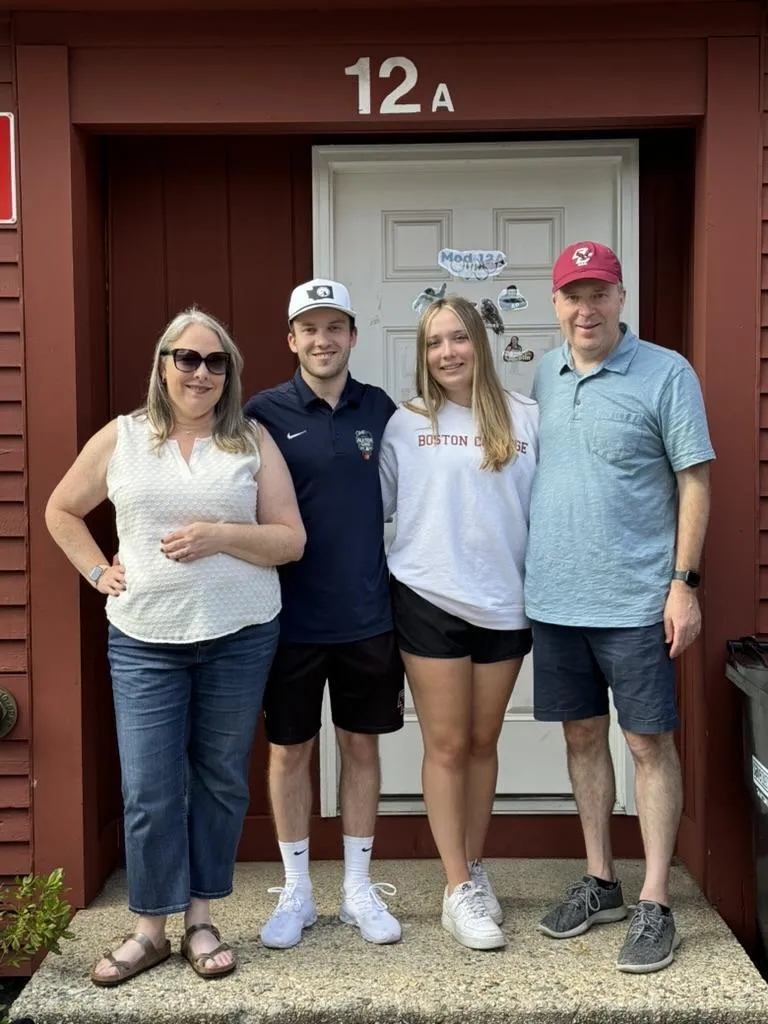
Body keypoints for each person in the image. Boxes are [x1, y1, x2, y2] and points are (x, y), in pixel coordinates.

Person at [45, 308, 305, 986]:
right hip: (144, 638)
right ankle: (149, 931)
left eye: (215, 362)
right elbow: (61, 510)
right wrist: (100, 572)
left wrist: (220, 535)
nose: (200, 372)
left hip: (240, 635)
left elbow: (289, 540)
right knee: (150, 787)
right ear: (163, 364)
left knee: (220, 780)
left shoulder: (251, 440)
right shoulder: (124, 438)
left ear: (230, 374)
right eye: (186, 358)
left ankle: (201, 918)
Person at [525, 241, 715, 974]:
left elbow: (694, 481)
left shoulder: (666, 374)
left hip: (637, 600)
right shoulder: (543, 374)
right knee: (581, 740)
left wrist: (684, 583)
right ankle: (601, 879)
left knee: (646, 745)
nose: (586, 308)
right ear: (555, 304)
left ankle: (657, 899)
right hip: (556, 598)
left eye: (598, 292)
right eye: (573, 295)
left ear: (621, 297)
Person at [243, 279, 404, 949]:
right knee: (289, 752)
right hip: (288, 620)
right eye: (309, 328)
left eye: (334, 326)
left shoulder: (382, 409)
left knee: (360, 746)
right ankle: (299, 891)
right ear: (291, 340)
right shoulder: (261, 413)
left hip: (367, 613)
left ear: (353, 336)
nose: (322, 339)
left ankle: (358, 890)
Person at [379, 294, 539, 950]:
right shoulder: (406, 423)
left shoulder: (528, 418)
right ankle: (455, 889)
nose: (447, 353)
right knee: (445, 745)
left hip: (504, 602)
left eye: (457, 339)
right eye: (433, 343)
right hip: (428, 596)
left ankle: (474, 867)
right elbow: (381, 508)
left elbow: (543, 511)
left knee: (481, 743)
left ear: (480, 342)